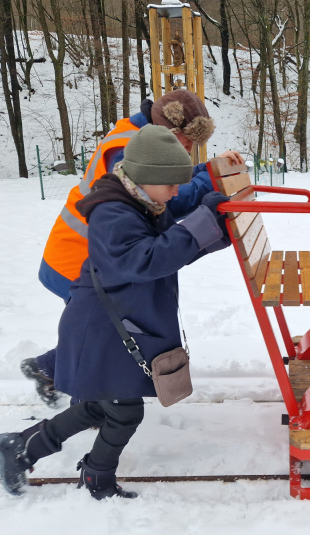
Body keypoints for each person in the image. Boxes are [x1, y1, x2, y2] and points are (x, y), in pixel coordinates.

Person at [0, 124, 232, 499]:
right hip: (103, 328)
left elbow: (167, 252)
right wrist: (202, 225)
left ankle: (20, 447)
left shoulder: (144, 202)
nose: (175, 192)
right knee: (123, 412)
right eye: (170, 183)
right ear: (147, 177)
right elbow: (143, 260)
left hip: (114, 324)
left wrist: (216, 230)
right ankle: (96, 475)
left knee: (95, 407)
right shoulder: (113, 213)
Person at [22, 90, 244, 407]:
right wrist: (209, 180)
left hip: (100, 255)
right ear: (167, 132)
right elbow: (171, 199)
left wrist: (210, 169)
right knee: (99, 332)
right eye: (184, 142)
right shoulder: (128, 147)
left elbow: (171, 184)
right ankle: (90, 408)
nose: (188, 150)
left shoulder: (141, 136)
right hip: (80, 257)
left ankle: (50, 371)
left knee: (102, 330)